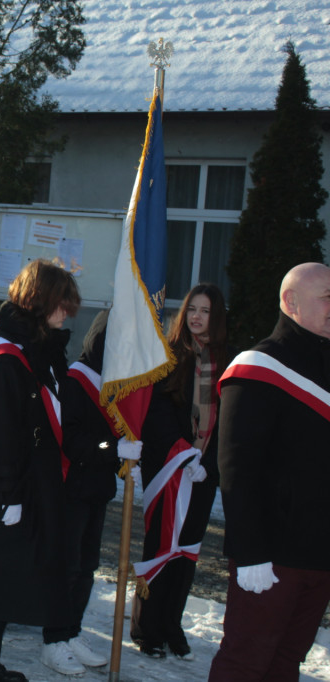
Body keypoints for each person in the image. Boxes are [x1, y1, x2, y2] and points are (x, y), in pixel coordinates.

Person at [0, 259, 80, 682]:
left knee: (3, 586)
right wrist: (10, 495)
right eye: (62, 304)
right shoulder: (7, 357)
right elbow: (1, 429)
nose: (67, 313)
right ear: (41, 301)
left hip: (27, 485)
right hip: (5, 490)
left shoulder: (38, 348)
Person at [209, 263, 330, 681]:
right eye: (327, 297)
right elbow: (237, 466)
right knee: (244, 663)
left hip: (320, 553)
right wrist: (251, 551)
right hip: (273, 555)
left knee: (286, 664)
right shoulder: (258, 366)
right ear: (291, 302)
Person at [131, 283, 229, 661]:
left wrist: (207, 460)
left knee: (187, 550)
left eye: (205, 311)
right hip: (171, 465)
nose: (196, 317)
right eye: (192, 309)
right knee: (161, 546)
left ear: (216, 317)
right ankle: (148, 627)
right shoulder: (168, 355)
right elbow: (154, 412)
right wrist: (181, 451)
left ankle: (172, 623)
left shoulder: (226, 360)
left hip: (203, 470)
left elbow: (227, 418)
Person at [42, 310, 122, 674]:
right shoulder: (78, 378)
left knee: (88, 566)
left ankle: (72, 630)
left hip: (99, 488)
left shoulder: (118, 383)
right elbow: (71, 439)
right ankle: (54, 638)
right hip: (73, 486)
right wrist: (112, 448)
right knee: (67, 566)